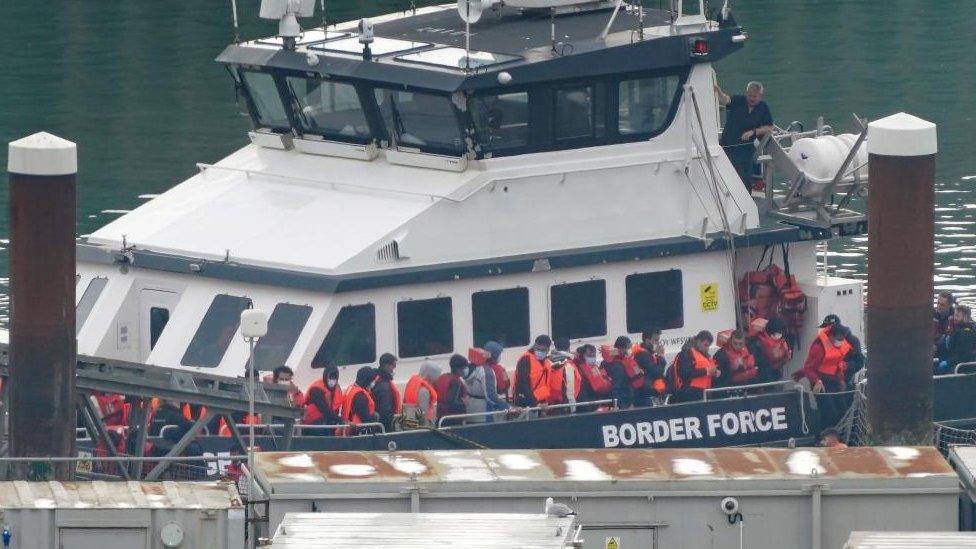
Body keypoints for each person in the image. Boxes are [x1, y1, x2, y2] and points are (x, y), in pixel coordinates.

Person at [715, 80, 774, 190]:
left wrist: (754, 131)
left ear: (760, 96)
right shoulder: (738, 100)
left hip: (746, 150)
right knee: (729, 176)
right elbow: (726, 100)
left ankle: (747, 199)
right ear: (746, 93)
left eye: (755, 96)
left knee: (745, 178)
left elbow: (770, 127)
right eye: (750, 95)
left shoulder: (763, 108)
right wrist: (718, 91)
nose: (751, 99)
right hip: (728, 146)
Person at [793, 323, 853, 393]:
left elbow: (837, 365)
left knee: (841, 403)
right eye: (839, 339)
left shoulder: (838, 348)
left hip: (833, 381)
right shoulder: (818, 348)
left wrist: (841, 379)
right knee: (827, 403)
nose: (840, 342)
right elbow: (809, 368)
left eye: (842, 339)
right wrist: (817, 380)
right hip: (820, 381)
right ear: (831, 336)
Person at [671, 331, 719, 402]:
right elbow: (685, 373)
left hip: (703, 393)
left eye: (708, 346)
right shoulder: (686, 353)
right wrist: (706, 371)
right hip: (690, 394)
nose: (707, 348)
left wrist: (715, 372)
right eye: (705, 345)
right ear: (699, 341)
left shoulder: (704, 355)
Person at [818, 315, 865, 383]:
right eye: (825, 328)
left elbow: (859, 362)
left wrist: (846, 365)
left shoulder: (852, 341)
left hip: (845, 383)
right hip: (825, 384)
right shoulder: (823, 342)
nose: (826, 331)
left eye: (828, 328)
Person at [748, 317, 792, 383]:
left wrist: (784, 359)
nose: (781, 335)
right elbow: (762, 365)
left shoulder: (779, 342)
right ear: (772, 332)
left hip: (773, 377)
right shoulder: (757, 343)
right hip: (760, 381)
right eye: (779, 332)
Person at [513, 335, 552, 409]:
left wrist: (544, 403)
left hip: (541, 403)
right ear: (534, 346)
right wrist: (535, 404)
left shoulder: (547, 362)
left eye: (543, 350)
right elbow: (522, 383)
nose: (539, 352)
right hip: (526, 403)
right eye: (537, 349)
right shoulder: (525, 359)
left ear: (548, 350)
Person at [632, 328, 668, 406]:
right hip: (645, 394)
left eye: (658, 340)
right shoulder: (643, 355)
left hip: (648, 392)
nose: (658, 343)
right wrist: (660, 356)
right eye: (656, 340)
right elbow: (657, 372)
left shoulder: (648, 353)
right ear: (647, 341)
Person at [303, 365, 343, 431]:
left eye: (334, 378)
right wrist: (341, 420)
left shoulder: (337, 388)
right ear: (325, 377)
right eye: (330, 377)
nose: (332, 380)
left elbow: (336, 408)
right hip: (312, 424)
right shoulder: (316, 389)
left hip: (330, 422)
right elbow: (324, 409)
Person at [937, 304, 976, 374]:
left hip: (961, 368)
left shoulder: (966, 333)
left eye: (958, 316)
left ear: (965, 317)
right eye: (954, 315)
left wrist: (948, 362)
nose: (955, 318)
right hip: (952, 361)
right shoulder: (957, 329)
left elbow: (964, 355)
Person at [601, 336, 636, 409]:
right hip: (622, 401)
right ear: (622, 348)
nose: (629, 350)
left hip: (611, 401)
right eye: (628, 348)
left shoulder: (605, 362)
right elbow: (616, 388)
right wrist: (622, 407)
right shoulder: (617, 366)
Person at [402, 362, 440, 427]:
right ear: (431, 375)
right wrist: (426, 428)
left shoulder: (415, 385)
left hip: (409, 423)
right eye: (436, 375)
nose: (437, 378)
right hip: (422, 428)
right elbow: (423, 413)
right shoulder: (424, 391)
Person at [435, 354, 469, 426]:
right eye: (464, 367)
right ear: (458, 369)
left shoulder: (443, 377)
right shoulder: (455, 382)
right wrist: (464, 403)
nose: (465, 370)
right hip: (453, 419)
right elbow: (452, 401)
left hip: (441, 416)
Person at [574, 344, 611, 409]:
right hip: (585, 406)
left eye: (593, 356)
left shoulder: (595, 368)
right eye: (589, 356)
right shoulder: (577, 369)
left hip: (595, 404)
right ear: (582, 356)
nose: (592, 358)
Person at [371, 353, 401, 432]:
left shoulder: (376, 380)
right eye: (393, 367)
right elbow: (385, 411)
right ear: (387, 366)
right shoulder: (383, 386)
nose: (393, 370)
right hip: (385, 427)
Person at [343, 366, 379, 433]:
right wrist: (375, 418)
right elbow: (366, 418)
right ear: (366, 380)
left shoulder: (351, 388)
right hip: (357, 432)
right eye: (372, 380)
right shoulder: (360, 396)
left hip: (347, 430)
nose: (373, 383)